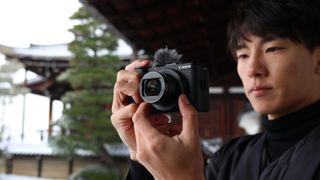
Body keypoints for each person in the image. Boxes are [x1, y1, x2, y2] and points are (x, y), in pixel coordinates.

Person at [111, 0, 320, 179]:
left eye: (272, 49)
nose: (253, 69)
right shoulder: (230, 158)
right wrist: (143, 158)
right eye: (243, 55)